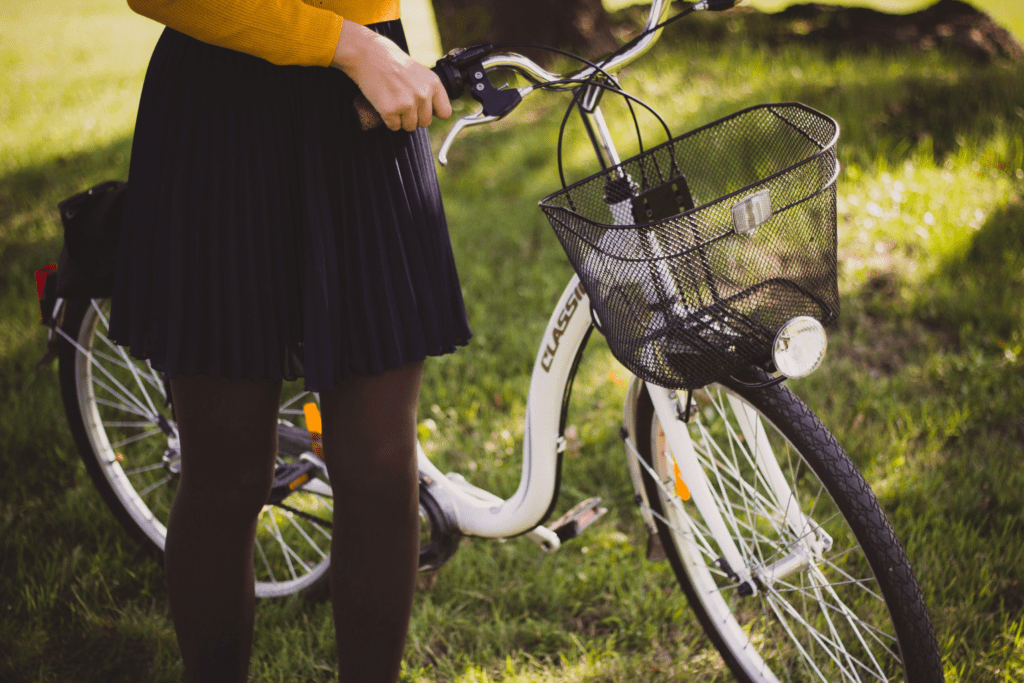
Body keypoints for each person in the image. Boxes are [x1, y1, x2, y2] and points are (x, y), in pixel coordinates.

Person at [106, 1, 472, 681]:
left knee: (384, 466)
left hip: (370, 98)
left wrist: (366, 51)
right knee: (228, 470)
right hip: (224, 111)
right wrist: (346, 45)